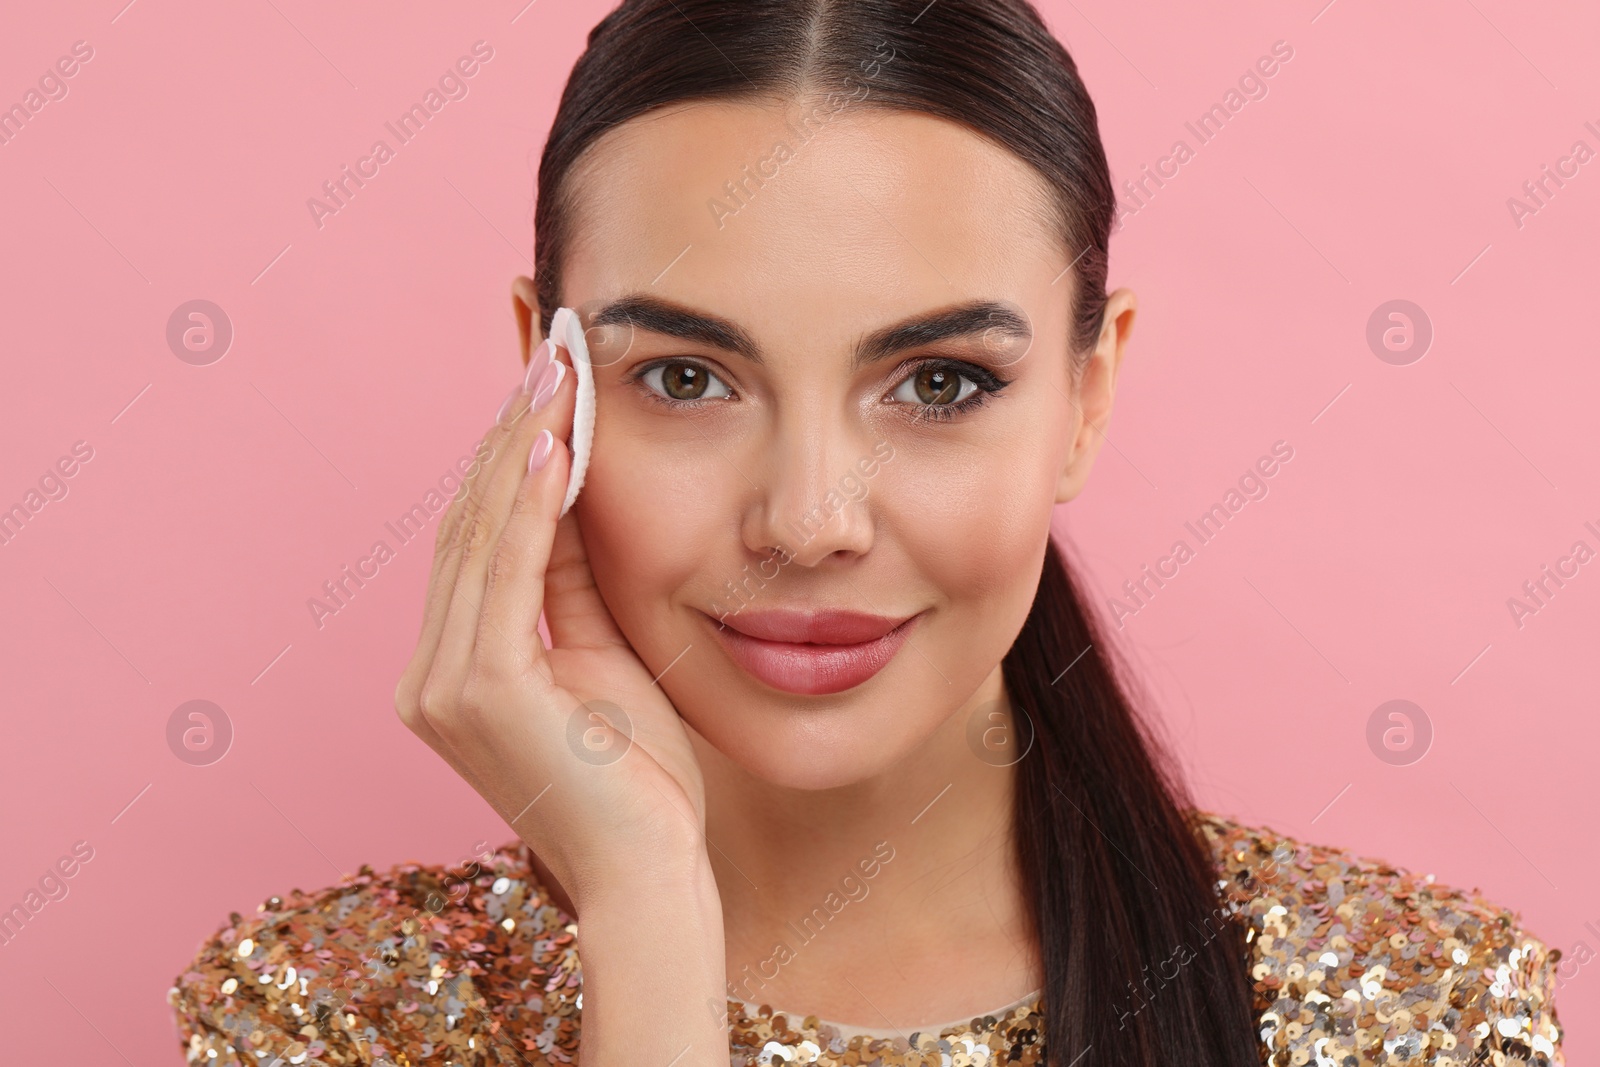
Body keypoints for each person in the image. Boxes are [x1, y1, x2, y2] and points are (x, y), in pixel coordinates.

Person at [169, 1, 1566, 1064]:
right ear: (546, 376)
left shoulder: (1416, 1010)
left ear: (1085, 398)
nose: (811, 521)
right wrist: (649, 919)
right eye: (687, 378)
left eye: (941, 384)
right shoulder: (325, 1014)